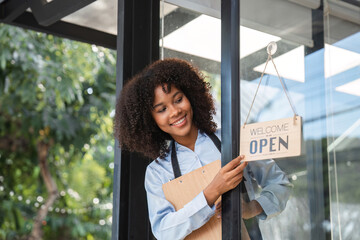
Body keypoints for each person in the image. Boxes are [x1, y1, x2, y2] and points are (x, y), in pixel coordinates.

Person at [114, 58, 292, 240]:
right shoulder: (158, 172)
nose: (175, 111)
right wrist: (211, 192)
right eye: (162, 109)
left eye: (178, 99)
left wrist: (252, 208)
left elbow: (280, 183)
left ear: (190, 96)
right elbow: (164, 232)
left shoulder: (234, 140)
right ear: (150, 120)